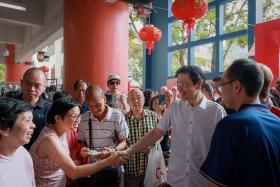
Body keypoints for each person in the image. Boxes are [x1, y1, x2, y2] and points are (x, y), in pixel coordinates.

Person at [120, 65, 226, 187]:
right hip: (175, 180)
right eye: (178, 84)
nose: (179, 89)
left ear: (198, 84)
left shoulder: (216, 111)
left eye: (183, 84)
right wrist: (129, 150)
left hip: (202, 180)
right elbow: (156, 133)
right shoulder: (175, 107)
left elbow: (222, 148)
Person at [200, 59, 280, 187]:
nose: (220, 91)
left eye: (222, 85)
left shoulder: (230, 125)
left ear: (236, 86)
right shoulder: (277, 121)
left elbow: (215, 184)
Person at [30, 97, 122, 187]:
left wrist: (81, 155)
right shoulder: (50, 139)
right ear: (57, 118)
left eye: (79, 116)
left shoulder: (62, 131)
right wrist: (108, 161)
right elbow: (73, 172)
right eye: (74, 117)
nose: (79, 120)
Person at [78, 85, 129, 187]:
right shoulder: (84, 118)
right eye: (90, 106)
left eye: (98, 105)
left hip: (112, 166)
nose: (95, 110)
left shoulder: (117, 116)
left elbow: (124, 141)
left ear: (104, 99)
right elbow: (82, 141)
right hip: (92, 168)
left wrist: (112, 151)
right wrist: (84, 149)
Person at [124, 88, 159, 187]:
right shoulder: (123, 119)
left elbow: (160, 135)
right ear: (127, 102)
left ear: (144, 99)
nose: (135, 101)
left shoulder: (154, 116)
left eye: (139, 98)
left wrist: (153, 144)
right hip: (131, 168)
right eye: (132, 98)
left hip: (151, 169)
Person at [12, 67, 51, 150]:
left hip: (39, 157)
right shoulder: (10, 105)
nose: (32, 89)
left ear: (44, 87)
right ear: (21, 83)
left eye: (37, 85)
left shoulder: (50, 109)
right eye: (28, 84)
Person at [0, 98, 36, 186]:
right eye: (27, 120)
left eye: (32, 120)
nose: (33, 125)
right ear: (4, 129)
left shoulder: (23, 153)